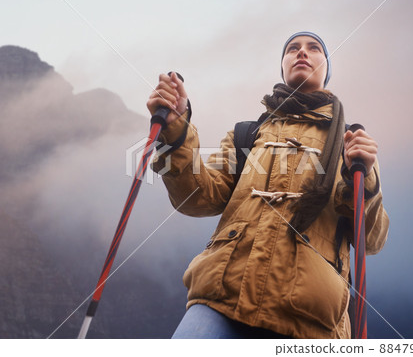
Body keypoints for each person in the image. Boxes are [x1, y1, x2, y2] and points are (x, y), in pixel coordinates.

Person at [147, 31, 389, 339]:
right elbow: (196, 199)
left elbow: (371, 239)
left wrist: (365, 178)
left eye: (314, 48)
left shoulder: (352, 144)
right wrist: (176, 129)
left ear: (326, 69)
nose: (302, 52)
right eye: (292, 49)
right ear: (284, 65)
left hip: (309, 319)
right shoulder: (246, 135)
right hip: (220, 298)